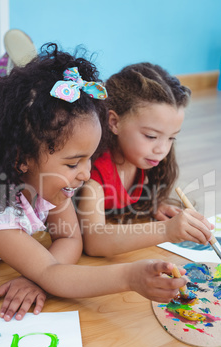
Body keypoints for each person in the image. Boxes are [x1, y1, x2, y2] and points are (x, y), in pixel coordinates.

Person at [0, 46, 188, 322]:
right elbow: (53, 272)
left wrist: (39, 277)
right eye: (74, 163)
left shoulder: (51, 184)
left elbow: (69, 238)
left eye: (90, 158)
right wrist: (130, 276)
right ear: (21, 159)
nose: (87, 174)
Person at [77, 62, 214, 257]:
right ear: (114, 122)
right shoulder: (93, 175)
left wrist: (152, 203)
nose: (162, 149)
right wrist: (166, 230)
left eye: (171, 138)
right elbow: (95, 241)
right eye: (151, 136)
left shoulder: (142, 159)